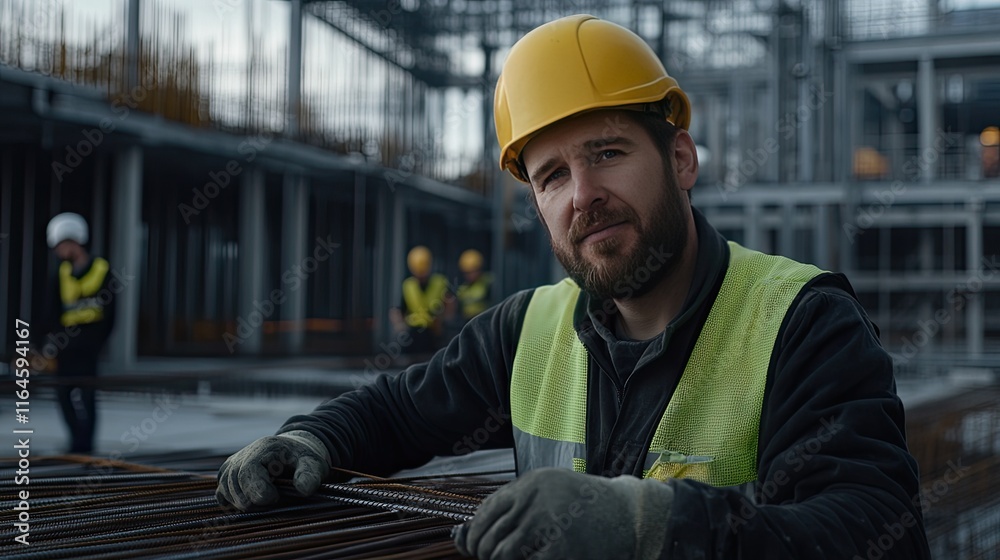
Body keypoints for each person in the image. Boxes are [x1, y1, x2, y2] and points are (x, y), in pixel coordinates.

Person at [217, 14, 930, 559]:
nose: (583, 194)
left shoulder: (801, 322)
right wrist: (310, 438)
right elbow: (398, 412)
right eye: (552, 175)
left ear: (680, 158)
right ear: (537, 204)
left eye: (608, 153)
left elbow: (875, 533)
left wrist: (650, 525)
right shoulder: (528, 330)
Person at [38, 212, 116, 454]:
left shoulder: (102, 270)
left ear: (74, 242)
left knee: (88, 397)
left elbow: (111, 314)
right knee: (63, 396)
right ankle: (76, 443)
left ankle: (86, 447)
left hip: (89, 347)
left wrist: (98, 344)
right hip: (66, 348)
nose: (59, 252)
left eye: (61, 245)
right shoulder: (60, 274)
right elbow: (51, 313)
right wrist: (45, 343)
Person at [388, 245, 450, 356]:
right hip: (413, 334)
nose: (421, 275)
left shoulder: (440, 282)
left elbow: (450, 304)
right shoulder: (408, 286)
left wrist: (442, 320)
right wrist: (401, 327)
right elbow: (397, 310)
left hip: (433, 334)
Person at [455, 249, 493, 322]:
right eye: (467, 273)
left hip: (485, 321)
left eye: (473, 271)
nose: (470, 276)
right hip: (467, 322)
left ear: (480, 268)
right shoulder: (463, 288)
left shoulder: (488, 282)